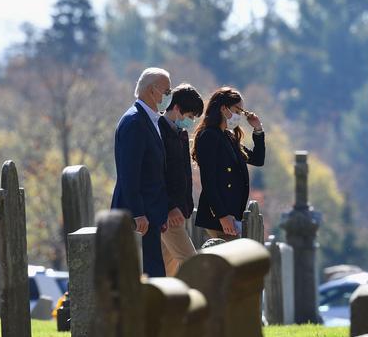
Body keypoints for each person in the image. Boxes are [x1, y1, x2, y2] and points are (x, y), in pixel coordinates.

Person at [111, 67, 172, 277]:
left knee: (154, 274)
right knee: (145, 277)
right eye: (166, 91)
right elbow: (130, 173)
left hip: (151, 213)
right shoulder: (135, 122)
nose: (168, 96)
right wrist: (138, 213)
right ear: (151, 90)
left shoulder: (150, 120)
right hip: (138, 217)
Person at [192, 87, 265, 240]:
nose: (239, 116)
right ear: (224, 109)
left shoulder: (229, 137)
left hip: (233, 214)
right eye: (237, 111)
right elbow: (208, 181)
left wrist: (258, 129)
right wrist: (222, 215)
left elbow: (257, 160)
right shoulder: (209, 136)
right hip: (219, 217)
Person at [157, 83, 204, 276]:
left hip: (180, 211)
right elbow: (157, 174)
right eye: (190, 116)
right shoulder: (158, 131)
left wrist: (184, 205)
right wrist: (170, 206)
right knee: (192, 264)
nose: (191, 122)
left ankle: (164, 306)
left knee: (167, 270)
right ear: (176, 108)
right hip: (168, 212)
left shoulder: (181, 134)